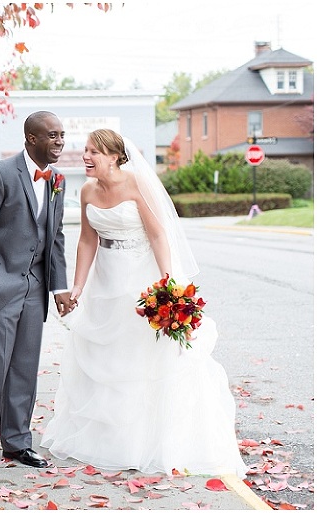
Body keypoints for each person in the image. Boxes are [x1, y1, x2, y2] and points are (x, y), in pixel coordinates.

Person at [40, 128, 247, 478]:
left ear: (114, 156)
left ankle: (143, 441)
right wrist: (77, 286)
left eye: (93, 152)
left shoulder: (137, 183)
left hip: (140, 279)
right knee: (107, 358)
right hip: (105, 281)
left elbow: (157, 233)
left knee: (140, 358)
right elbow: (88, 241)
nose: (85, 157)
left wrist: (168, 283)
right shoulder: (87, 189)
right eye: (85, 150)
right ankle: (108, 439)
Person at [0, 111, 75, 476]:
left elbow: (55, 236)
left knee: (24, 369)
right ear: (31, 139)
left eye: (62, 134)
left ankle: (18, 443)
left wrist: (58, 287)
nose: (59, 142)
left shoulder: (57, 180)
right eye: (52, 135)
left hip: (34, 290)